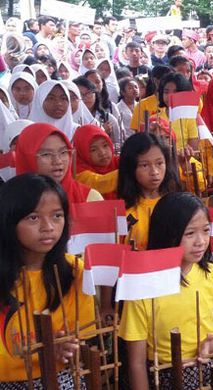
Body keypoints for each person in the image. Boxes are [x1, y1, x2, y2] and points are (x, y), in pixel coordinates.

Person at [120, 192, 213, 389]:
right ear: (168, 233)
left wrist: (212, 346)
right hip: (163, 374)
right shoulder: (142, 286)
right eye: (190, 233)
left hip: (210, 369)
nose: (200, 241)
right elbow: (136, 362)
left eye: (206, 230)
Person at [0, 174, 95, 387]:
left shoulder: (74, 271)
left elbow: (80, 336)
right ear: (8, 220)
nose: (48, 227)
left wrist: (64, 348)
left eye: (57, 216)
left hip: (56, 376)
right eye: (33, 217)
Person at [118, 132, 180, 250]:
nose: (154, 172)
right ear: (130, 168)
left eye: (159, 163)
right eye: (145, 165)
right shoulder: (122, 213)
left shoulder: (178, 205)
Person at [15, 122, 102, 205]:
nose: (57, 161)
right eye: (46, 154)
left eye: (63, 152)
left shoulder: (90, 198)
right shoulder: (11, 202)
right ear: (26, 158)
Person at [72, 124, 119, 199]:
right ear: (82, 152)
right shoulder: (78, 172)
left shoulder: (116, 162)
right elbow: (101, 183)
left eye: (105, 145)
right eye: (93, 150)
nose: (102, 153)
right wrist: (127, 172)